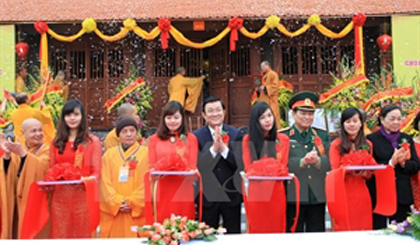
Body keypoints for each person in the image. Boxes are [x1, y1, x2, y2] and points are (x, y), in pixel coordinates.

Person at [49, 99, 102, 238]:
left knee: (82, 233)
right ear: (63, 118)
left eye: (76, 114)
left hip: (82, 195)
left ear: (82, 116)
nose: (72, 118)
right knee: (60, 233)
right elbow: (52, 170)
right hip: (60, 197)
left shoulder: (92, 141)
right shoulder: (56, 142)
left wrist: (85, 179)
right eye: (68, 115)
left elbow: (96, 172)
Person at [281, 91, 330, 232]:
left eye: (310, 114)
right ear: (293, 114)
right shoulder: (283, 136)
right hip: (293, 195)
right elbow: (279, 164)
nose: (307, 117)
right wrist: (302, 162)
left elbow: (331, 162)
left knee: (316, 235)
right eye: (303, 113)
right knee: (292, 234)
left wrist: (317, 161)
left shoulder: (322, 135)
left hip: (316, 196)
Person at [193, 96, 243, 233]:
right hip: (207, 197)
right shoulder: (196, 136)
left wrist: (224, 149)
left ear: (224, 111)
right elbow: (198, 165)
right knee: (206, 237)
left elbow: (240, 163)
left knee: (233, 236)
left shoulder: (236, 134)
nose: (215, 114)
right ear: (203, 115)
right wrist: (214, 149)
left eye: (218, 110)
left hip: (231, 195)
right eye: (210, 111)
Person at [328, 108, 382, 231]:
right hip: (343, 191)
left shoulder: (368, 144)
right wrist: (350, 172)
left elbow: (369, 174)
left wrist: (367, 172)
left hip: (361, 191)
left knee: (363, 227)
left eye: (355, 121)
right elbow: (334, 171)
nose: (351, 124)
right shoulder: (336, 144)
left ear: (361, 123)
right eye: (347, 121)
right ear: (342, 124)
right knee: (345, 228)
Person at [367, 105, 420, 229]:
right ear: (382, 119)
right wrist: (391, 162)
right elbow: (370, 165)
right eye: (392, 119)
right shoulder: (372, 139)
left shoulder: (406, 138)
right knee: (378, 230)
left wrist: (403, 163)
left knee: (402, 231)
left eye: (399, 119)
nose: (396, 122)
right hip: (380, 192)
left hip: (402, 194)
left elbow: (415, 165)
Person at [242, 102, 290, 233]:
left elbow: (283, 167)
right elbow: (248, 168)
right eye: (262, 118)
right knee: (258, 229)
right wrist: (270, 167)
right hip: (256, 193)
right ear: (256, 121)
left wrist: (263, 167)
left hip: (276, 191)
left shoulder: (283, 139)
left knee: (277, 227)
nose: (268, 120)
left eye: (269, 115)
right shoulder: (248, 140)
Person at [148, 101, 198, 222]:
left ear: (182, 118)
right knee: (162, 223)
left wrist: (189, 172)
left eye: (176, 117)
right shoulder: (154, 139)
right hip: (162, 188)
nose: (172, 121)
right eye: (169, 117)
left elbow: (192, 167)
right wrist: (156, 172)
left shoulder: (190, 139)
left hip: (183, 188)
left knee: (184, 224)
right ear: (163, 119)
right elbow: (152, 166)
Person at [100, 116, 149, 237]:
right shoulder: (109, 155)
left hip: (136, 211)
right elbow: (104, 183)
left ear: (137, 133)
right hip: (115, 210)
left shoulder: (146, 153)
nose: (129, 134)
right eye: (124, 131)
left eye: (132, 131)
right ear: (118, 135)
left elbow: (149, 182)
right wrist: (116, 202)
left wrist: (133, 202)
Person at [258, 61, 281, 129]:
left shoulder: (273, 74)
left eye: (263, 66)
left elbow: (275, 86)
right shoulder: (265, 75)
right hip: (265, 99)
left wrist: (265, 88)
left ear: (268, 66)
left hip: (271, 100)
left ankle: (275, 131)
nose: (262, 68)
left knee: (273, 115)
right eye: (261, 67)